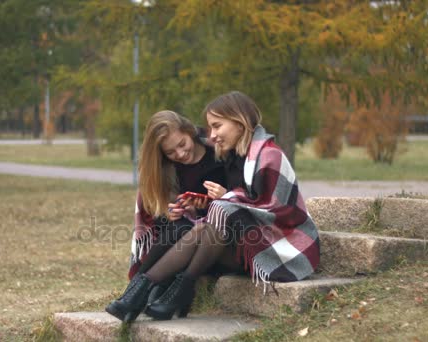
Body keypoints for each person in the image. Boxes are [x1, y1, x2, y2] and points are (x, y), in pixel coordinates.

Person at [109, 91, 320, 322]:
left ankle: (151, 292)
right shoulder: (233, 156)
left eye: (217, 126)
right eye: (210, 128)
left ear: (239, 121)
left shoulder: (268, 156)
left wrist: (226, 198)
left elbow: (275, 213)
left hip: (274, 247)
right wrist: (203, 205)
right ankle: (152, 292)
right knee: (195, 226)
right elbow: (232, 206)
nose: (213, 135)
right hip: (227, 241)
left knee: (214, 215)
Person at [105, 110, 226, 322]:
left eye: (182, 144)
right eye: (171, 152)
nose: (180, 154)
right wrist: (171, 212)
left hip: (215, 239)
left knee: (189, 229)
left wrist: (207, 205)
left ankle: (134, 295)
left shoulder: (218, 156)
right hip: (182, 233)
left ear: (189, 132)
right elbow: (157, 217)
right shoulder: (167, 167)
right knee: (179, 227)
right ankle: (137, 295)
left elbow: (236, 203)